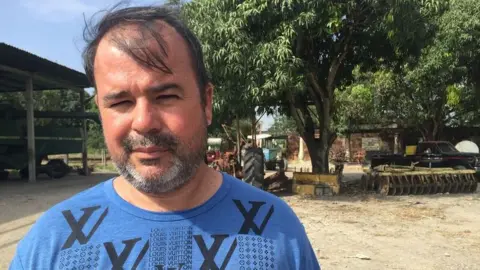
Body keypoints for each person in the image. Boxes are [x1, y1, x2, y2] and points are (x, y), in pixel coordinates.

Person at [9, 4, 321, 270]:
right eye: (120, 103)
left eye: (167, 96)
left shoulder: (276, 230)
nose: (144, 123)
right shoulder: (51, 244)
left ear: (206, 102)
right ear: (101, 113)